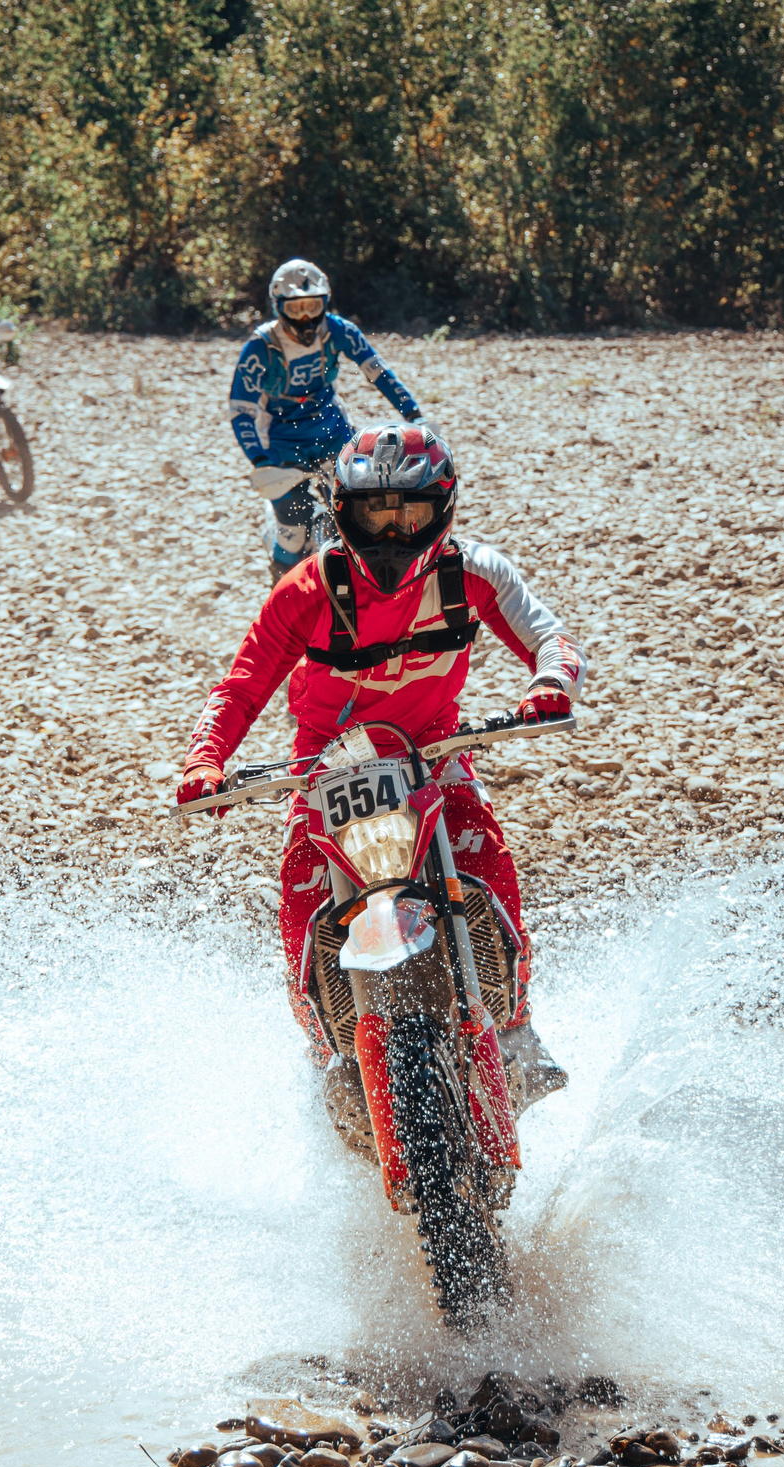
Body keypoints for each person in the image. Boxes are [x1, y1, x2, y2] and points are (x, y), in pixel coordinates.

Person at [176, 422, 585, 1127]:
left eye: (412, 513)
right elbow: (242, 684)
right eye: (377, 512)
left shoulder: (475, 571)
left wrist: (551, 681)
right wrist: (205, 757)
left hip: (435, 751)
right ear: (343, 511)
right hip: (325, 767)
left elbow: (550, 634)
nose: (394, 532)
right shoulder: (305, 589)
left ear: (444, 509)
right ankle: (326, 1053)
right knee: (302, 908)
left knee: (490, 862)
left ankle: (516, 1026)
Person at [228, 259, 427, 573]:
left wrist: (414, 416)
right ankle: (281, 595)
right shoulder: (260, 347)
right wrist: (260, 460)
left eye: (313, 306)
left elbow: (379, 373)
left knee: (363, 518)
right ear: (278, 306)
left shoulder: (338, 329)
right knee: (293, 532)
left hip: (333, 431)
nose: (306, 317)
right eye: (295, 309)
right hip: (280, 443)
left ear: (326, 303)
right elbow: (241, 410)